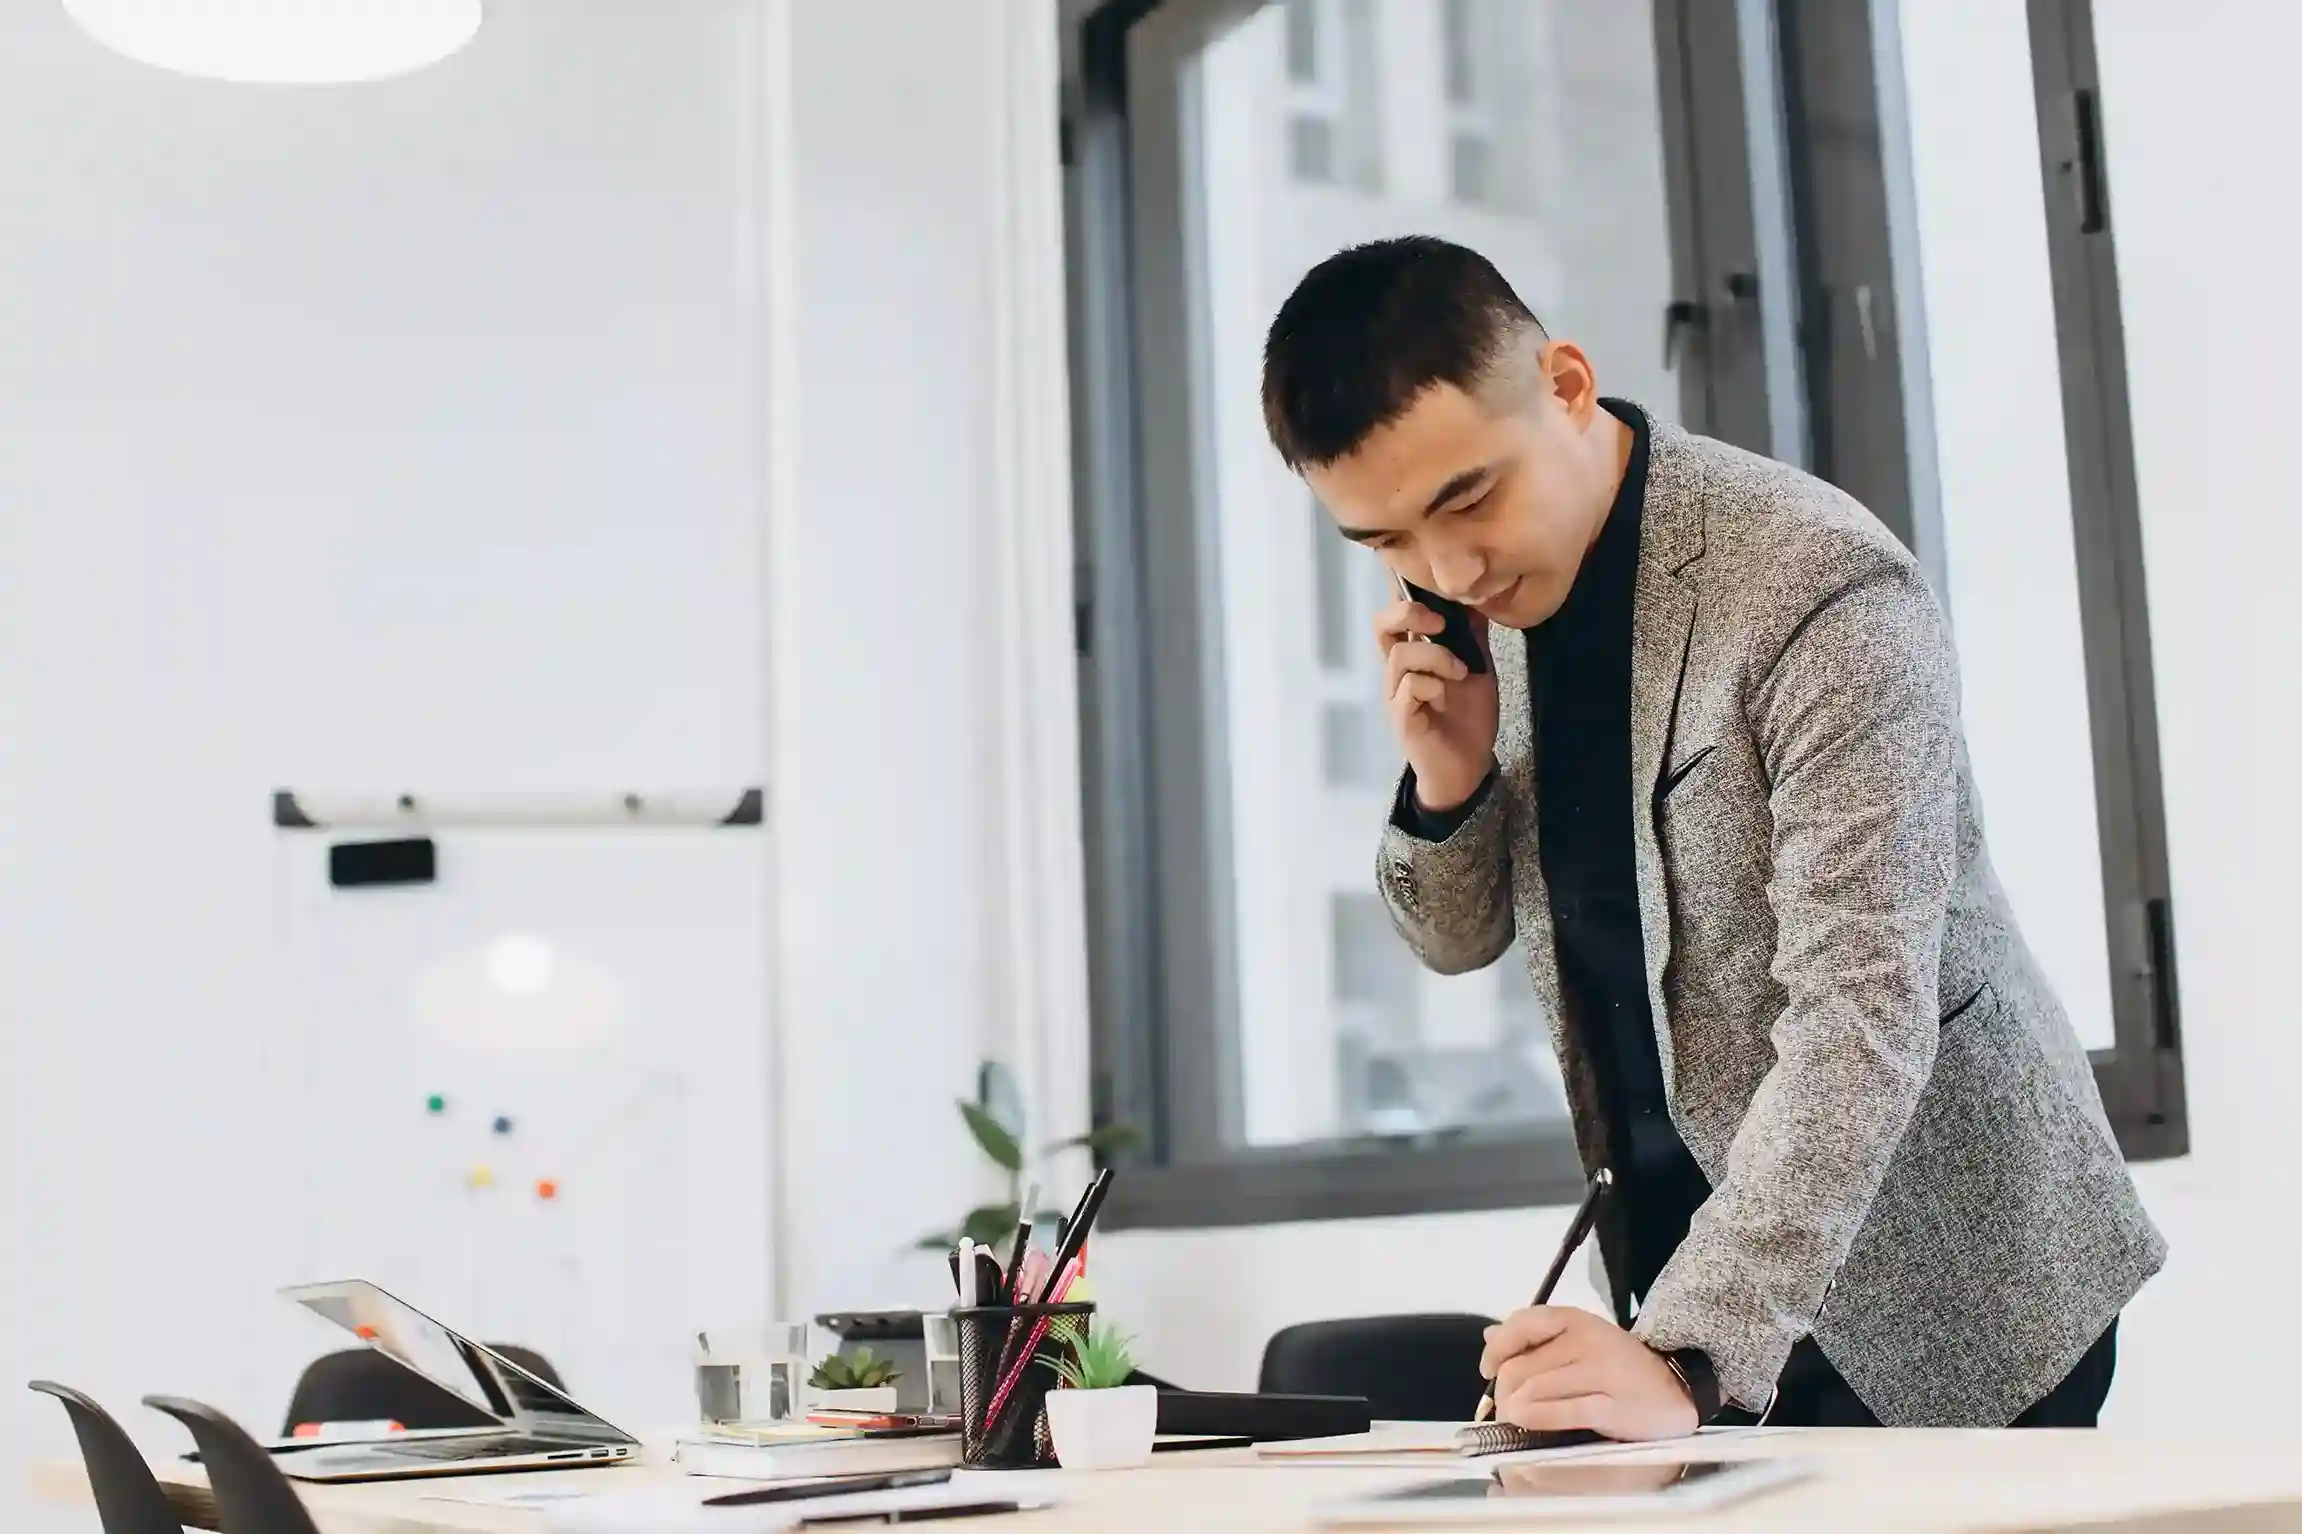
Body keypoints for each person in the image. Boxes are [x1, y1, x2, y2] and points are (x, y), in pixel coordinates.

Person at [1258, 236, 2164, 1433]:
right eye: (1385, 542)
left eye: (1469, 497)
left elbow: (1858, 1010)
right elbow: (1457, 940)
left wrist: (1687, 1351)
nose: (1451, 566)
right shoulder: (1489, 619)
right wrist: (1449, 780)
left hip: (1946, 1279)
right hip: (1692, 1270)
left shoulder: (1816, 585)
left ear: (1567, 385)